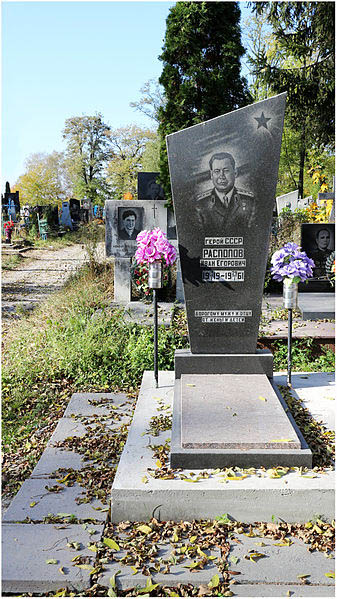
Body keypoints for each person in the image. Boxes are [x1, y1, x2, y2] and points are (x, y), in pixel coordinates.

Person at [195, 152, 255, 234]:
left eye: (226, 170)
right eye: (217, 171)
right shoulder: (201, 204)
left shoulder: (249, 202)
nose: (221, 176)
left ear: (235, 173)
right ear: (211, 175)